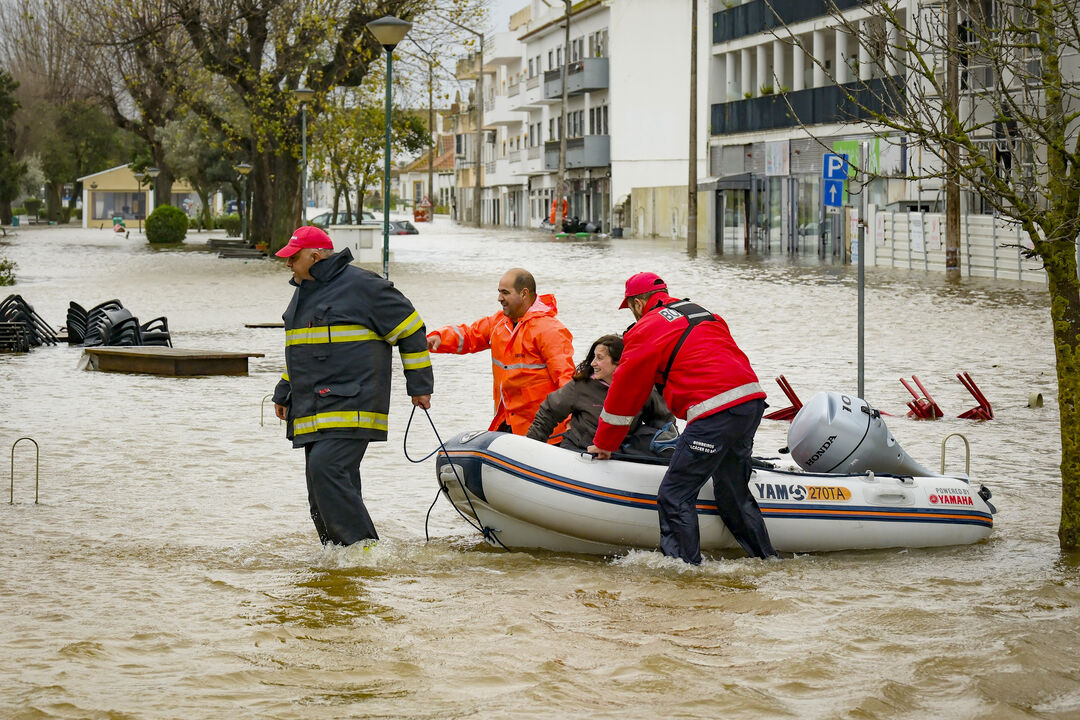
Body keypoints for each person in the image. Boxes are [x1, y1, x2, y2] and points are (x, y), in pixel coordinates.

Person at [587, 272, 778, 564]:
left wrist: (605, 442)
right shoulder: (704, 313)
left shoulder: (646, 328)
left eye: (631, 308)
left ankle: (686, 572)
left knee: (675, 494)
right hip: (750, 403)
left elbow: (626, 391)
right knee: (732, 491)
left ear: (638, 303)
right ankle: (767, 560)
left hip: (715, 412)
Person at [271, 226, 433, 546]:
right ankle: (337, 560)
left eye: (293, 257)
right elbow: (302, 351)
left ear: (315, 256)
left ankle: (364, 551)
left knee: (325, 472)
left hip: (353, 403)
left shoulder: (363, 286)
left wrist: (419, 386)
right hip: (313, 407)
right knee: (319, 487)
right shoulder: (304, 293)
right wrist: (284, 390)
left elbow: (411, 328)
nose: (288, 264)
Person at [427, 268, 574, 436]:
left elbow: (566, 379)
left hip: (544, 430)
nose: (499, 298)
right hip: (508, 422)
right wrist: (438, 338)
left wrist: (572, 421)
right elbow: (469, 335)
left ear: (524, 294)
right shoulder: (499, 323)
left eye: (505, 293)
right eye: (499, 292)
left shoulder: (549, 330)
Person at [527, 334, 674, 454]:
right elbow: (548, 413)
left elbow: (664, 421)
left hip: (619, 453)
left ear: (618, 362)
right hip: (578, 450)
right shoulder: (580, 386)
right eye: (593, 357)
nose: (593, 363)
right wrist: (529, 448)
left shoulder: (641, 387)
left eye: (600, 358)